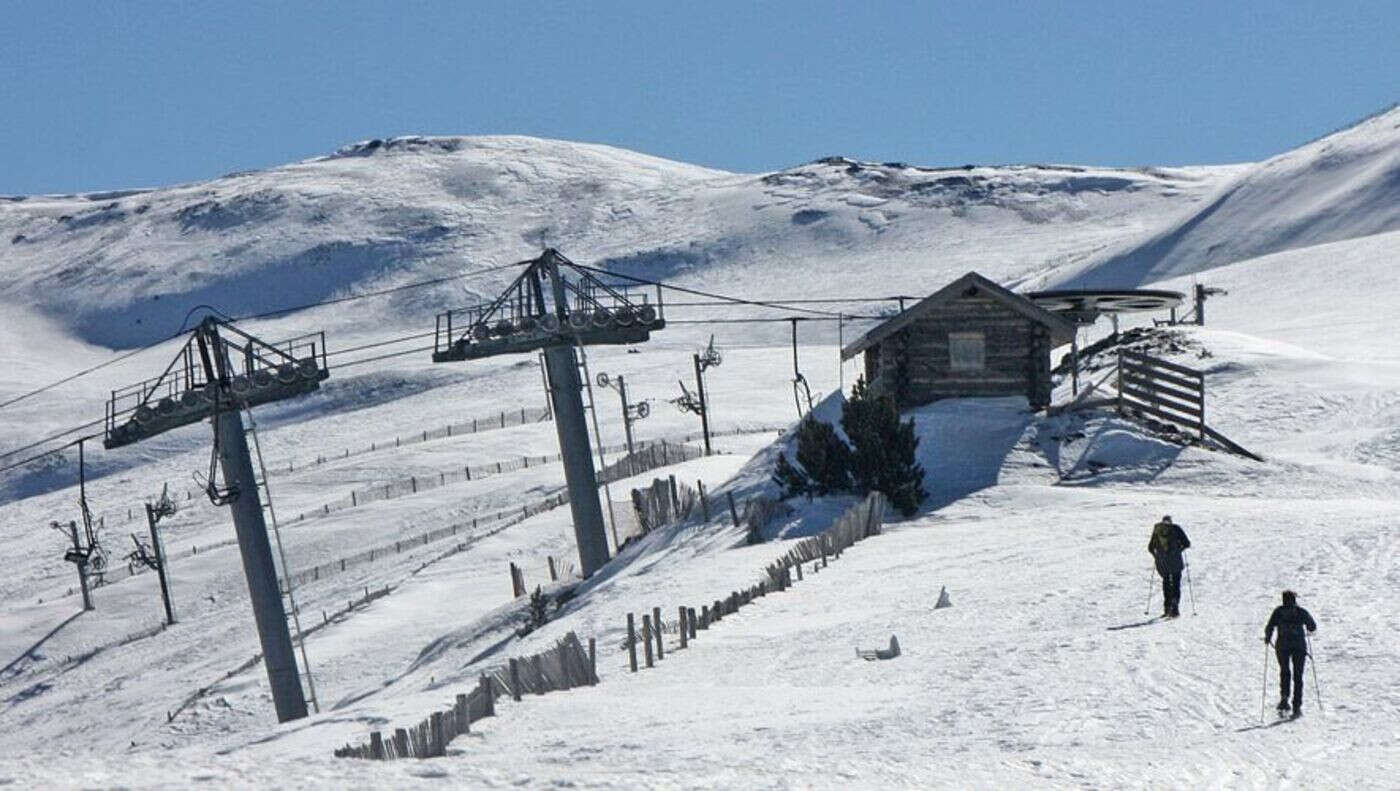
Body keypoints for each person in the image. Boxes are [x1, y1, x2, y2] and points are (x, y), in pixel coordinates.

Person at [1265, 590, 1317, 718]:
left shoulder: (1278, 612)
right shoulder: (1301, 612)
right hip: (1299, 646)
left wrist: (1268, 638)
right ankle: (1297, 705)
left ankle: (1284, 698)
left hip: (1282, 646)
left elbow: (1270, 626)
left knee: (1285, 671)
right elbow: (1312, 626)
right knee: (1298, 676)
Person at [1147, 515, 1190, 618]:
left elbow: (1150, 547)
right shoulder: (1176, 529)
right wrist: (1178, 550)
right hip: (1176, 561)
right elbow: (1187, 543)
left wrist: (1157, 556)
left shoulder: (1157, 530)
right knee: (1176, 584)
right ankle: (1175, 609)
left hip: (1163, 563)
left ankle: (1167, 608)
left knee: (1166, 584)